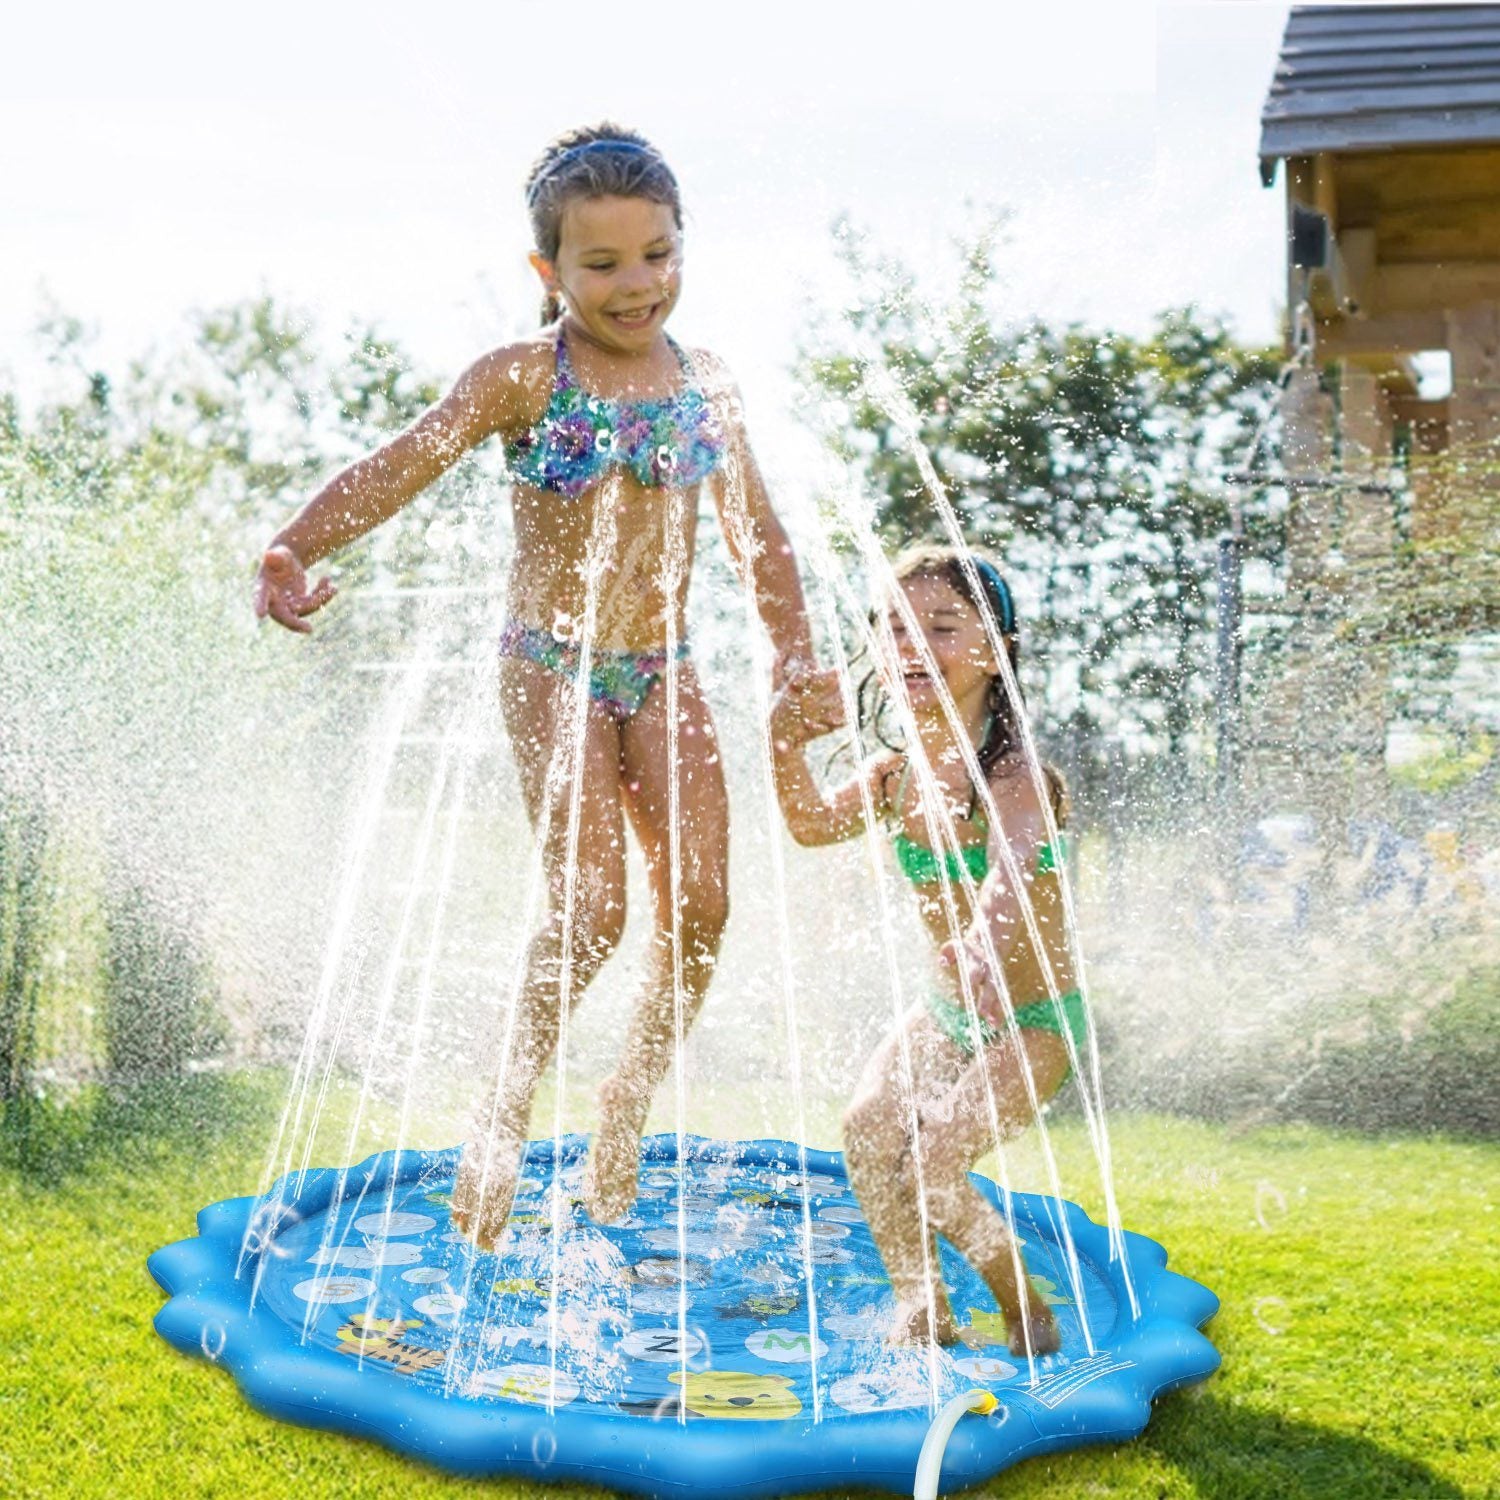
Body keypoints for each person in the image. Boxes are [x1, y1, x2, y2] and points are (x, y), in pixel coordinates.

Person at [255, 123, 821, 1249]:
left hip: (662, 665)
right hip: (550, 663)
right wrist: (295, 544)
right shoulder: (522, 377)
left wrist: (794, 650)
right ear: (548, 269)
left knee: (703, 903)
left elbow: (757, 531)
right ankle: (505, 1105)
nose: (636, 283)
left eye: (657, 254)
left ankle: (628, 1098)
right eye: (602, 263)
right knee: (596, 906)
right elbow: (405, 461)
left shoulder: (705, 383)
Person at [769, 545, 1081, 1354]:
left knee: (936, 1165)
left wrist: (980, 942)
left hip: (1032, 1022)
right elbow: (810, 825)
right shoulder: (895, 776)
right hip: (950, 1011)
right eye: (895, 627)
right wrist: (783, 743)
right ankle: (924, 1305)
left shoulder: (1014, 777)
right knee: (868, 1131)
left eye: (941, 626)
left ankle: (1027, 1313)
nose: (912, 644)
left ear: (996, 652)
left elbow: (1014, 863)